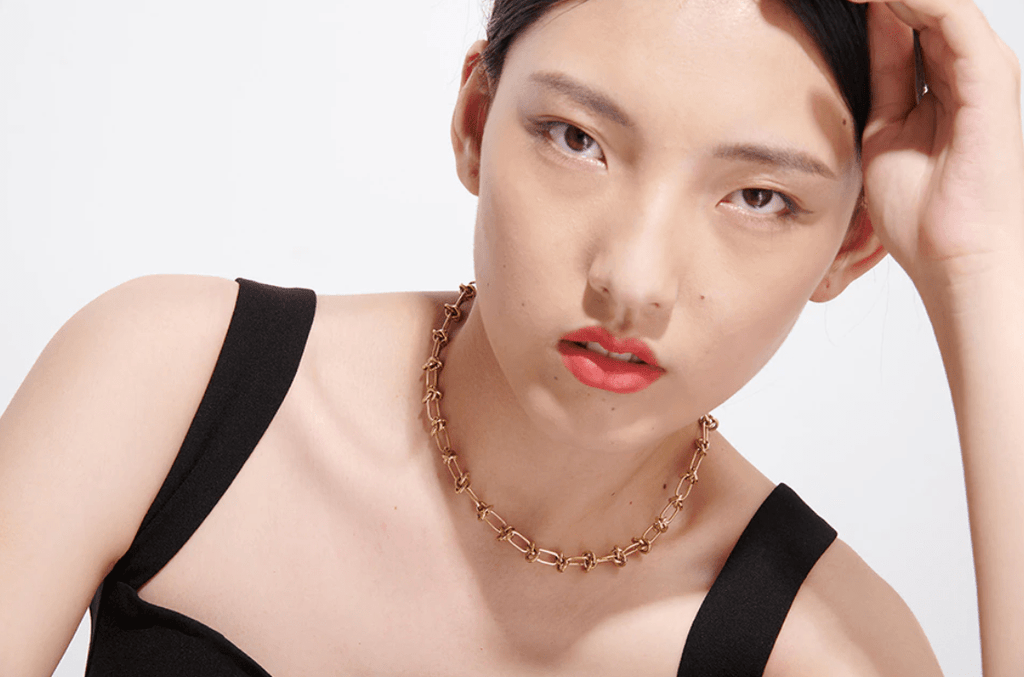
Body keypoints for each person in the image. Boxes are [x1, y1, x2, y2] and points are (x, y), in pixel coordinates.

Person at [0, 0, 1021, 675]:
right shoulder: (168, 381)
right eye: (578, 139)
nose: (633, 281)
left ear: (851, 242)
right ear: (475, 120)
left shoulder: (827, 647)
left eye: (757, 196)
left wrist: (980, 273)